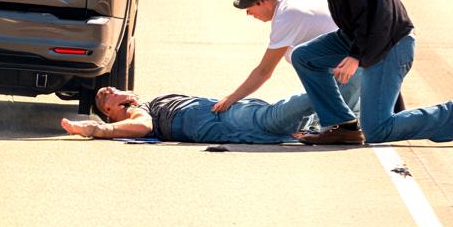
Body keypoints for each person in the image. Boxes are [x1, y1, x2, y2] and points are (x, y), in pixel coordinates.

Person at [278, 0, 453, 146]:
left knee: (376, 129)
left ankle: (450, 114)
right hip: (362, 39)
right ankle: (343, 126)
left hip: (391, 44)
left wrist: (355, 56)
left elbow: (371, 17)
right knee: (303, 56)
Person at [213, 0, 360, 115]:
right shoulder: (289, 4)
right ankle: (354, 109)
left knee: (285, 116)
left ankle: (350, 113)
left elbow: (264, 71)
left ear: (261, 1)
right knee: (294, 54)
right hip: (359, 65)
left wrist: (230, 99)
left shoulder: (286, 17)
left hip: (354, 70)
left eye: (248, 7)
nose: (248, 13)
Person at [60, 86, 313, 144]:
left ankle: (330, 95)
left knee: (277, 126)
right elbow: (144, 126)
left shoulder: (141, 105)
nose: (115, 90)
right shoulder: (135, 112)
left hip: (209, 115)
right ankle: (323, 88)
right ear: (110, 111)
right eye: (108, 94)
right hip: (202, 119)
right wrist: (96, 129)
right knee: (269, 120)